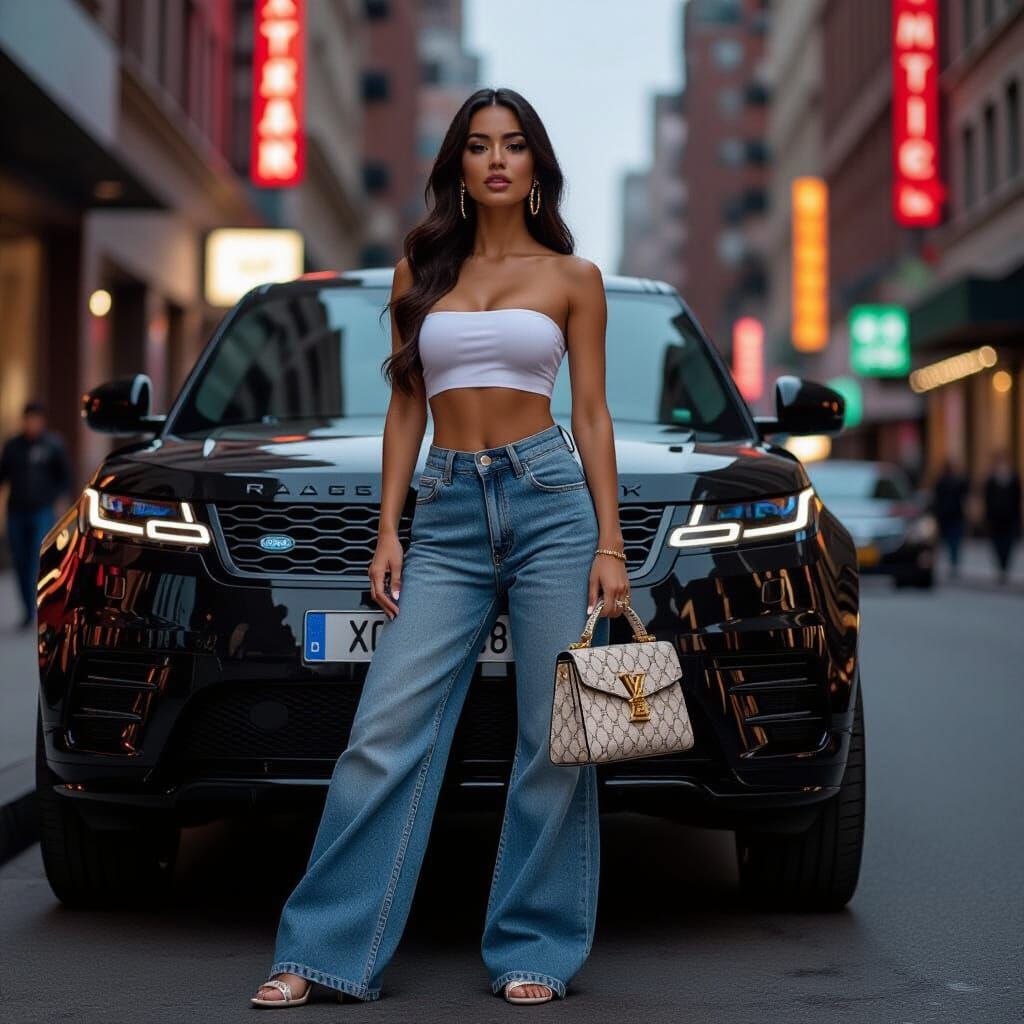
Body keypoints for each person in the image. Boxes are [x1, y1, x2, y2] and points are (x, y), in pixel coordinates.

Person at [251, 87, 629, 1008]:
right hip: (449, 511)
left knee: (554, 738)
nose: (497, 159)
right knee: (383, 732)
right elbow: (406, 409)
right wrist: (389, 528)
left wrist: (611, 543)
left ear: (536, 166)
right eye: (479, 145)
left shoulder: (573, 278)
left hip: (551, 503)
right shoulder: (418, 272)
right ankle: (323, 950)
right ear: (457, 164)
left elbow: (590, 413)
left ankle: (534, 947)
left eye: (514, 145)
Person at [0, 401, 72, 629]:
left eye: (36, 419)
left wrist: (60, 501)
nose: (32, 424)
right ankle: (27, 609)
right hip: (16, 512)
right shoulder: (13, 446)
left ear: (42, 421)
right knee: (20, 561)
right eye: (29, 419)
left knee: (35, 559)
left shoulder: (53, 445)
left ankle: (38, 606)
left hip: (42, 511)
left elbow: (64, 477)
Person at [982, 449, 1021, 585]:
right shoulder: (991, 480)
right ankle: (1001, 567)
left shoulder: (1014, 479)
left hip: (1009, 519)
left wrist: (1017, 517)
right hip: (995, 519)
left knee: (1008, 544)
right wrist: (988, 516)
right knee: (997, 544)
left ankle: (1004, 567)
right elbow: (987, 499)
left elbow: (1017, 499)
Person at [930, 458, 969, 579]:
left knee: (950, 542)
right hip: (951, 516)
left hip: (948, 516)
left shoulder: (942, 481)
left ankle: (950, 563)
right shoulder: (953, 481)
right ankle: (953, 563)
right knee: (953, 542)